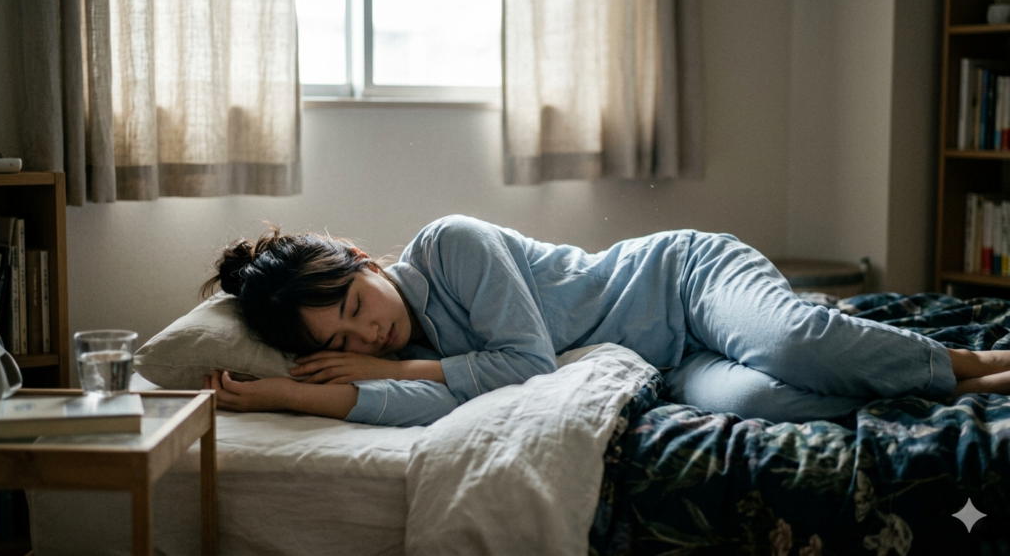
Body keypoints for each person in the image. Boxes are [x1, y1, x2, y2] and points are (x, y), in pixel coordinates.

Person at [202, 215, 1010, 427]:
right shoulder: (416, 349)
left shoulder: (450, 245)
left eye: (354, 306)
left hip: (685, 279)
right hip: (665, 363)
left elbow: (525, 364)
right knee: (763, 403)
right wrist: (290, 394)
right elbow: (424, 396)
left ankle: (969, 363)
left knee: (793, 340)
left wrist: (396, 370)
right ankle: (933, 380)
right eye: (339, 343)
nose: (365, 337)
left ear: (362, 258)